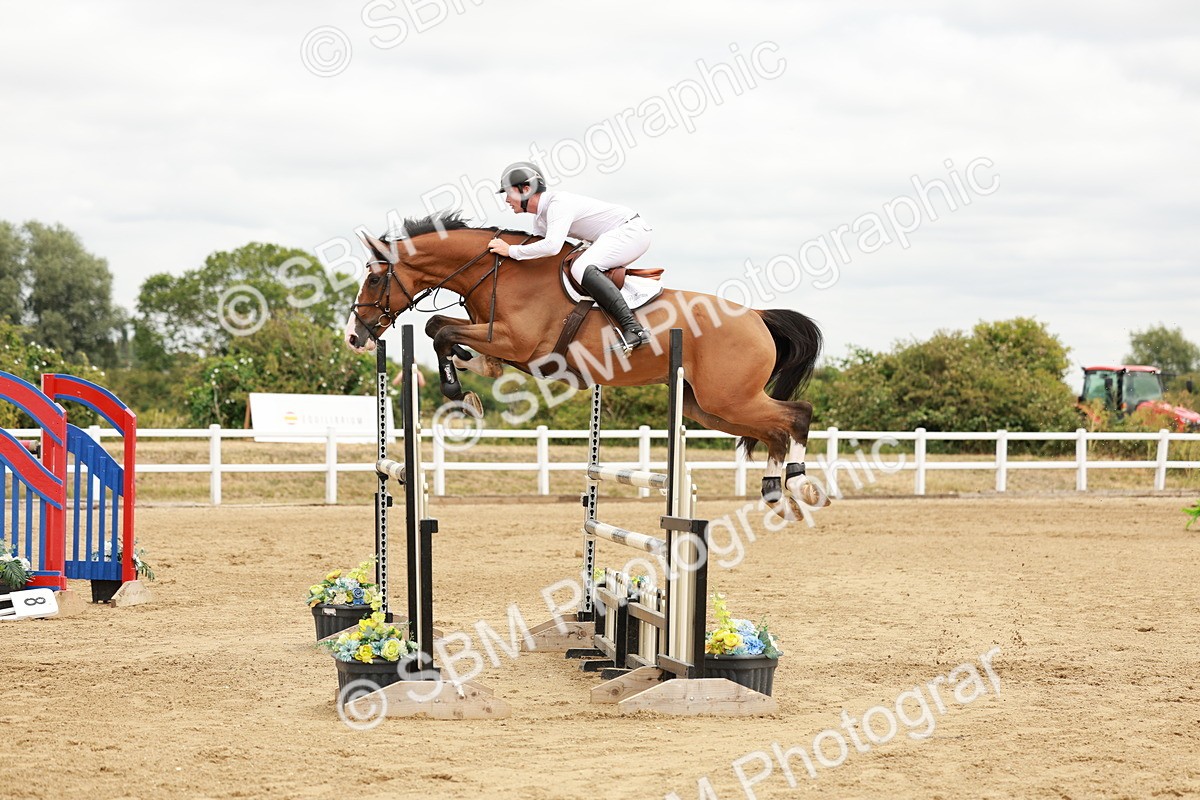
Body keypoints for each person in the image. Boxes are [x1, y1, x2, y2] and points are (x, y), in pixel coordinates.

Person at [487, 162, 652, 351]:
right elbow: (538, 253)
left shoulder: (558, 204)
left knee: (580, 267)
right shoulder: (541, 218)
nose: (507, 200)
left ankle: (634, 329)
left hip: (632, 231)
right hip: (615, 234)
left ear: (525, 190)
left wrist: (511, 250)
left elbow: (551, 247)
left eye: (509, 193)